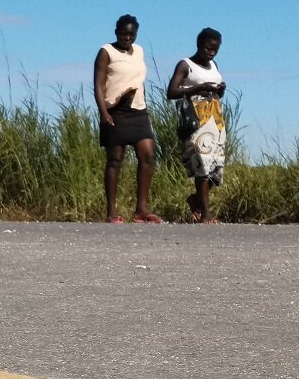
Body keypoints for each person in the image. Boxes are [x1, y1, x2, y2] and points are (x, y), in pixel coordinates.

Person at [95, 14, 161, 224]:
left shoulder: (139, 51)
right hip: (115, 110)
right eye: (124, 33)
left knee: (148, 155)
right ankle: (111, 211)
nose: (127, 38)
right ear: (117, 32)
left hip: (138, 110)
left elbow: (138, 79)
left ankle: (141, 209)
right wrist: (104, 112)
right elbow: (98, 84)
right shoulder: (107, 51)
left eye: (131, 34)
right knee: (115, 160)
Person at [167, 27, 228, 223]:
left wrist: (219, 90)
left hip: (215, 118)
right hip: (197, 118)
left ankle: (195, 200)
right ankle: (206, 214)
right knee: (202, 163)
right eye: (208, 48)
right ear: (199, 45)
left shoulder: (214, 65)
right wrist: (199, 87)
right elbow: (172, 92)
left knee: (215, 167)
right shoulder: (186, 65)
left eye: (215, 49)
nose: (211, 52)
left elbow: (216, 93)